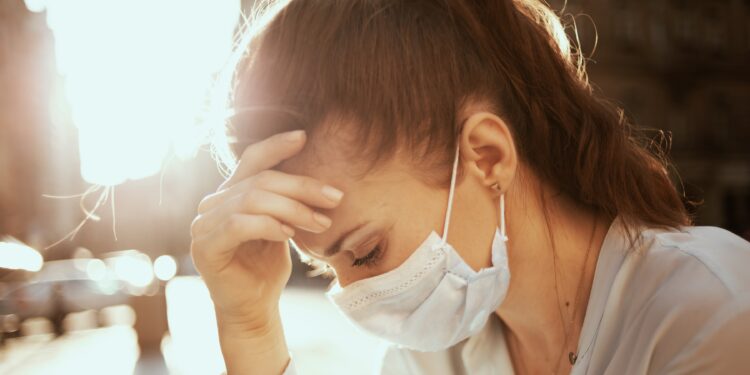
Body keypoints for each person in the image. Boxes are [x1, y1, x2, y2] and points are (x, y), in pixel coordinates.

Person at [189, 0, 750, 374]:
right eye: (325, 267)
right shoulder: (437, 358)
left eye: (365, 252)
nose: (356, 298)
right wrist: (252, 331)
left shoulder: (710, 314)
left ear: (486, 157)